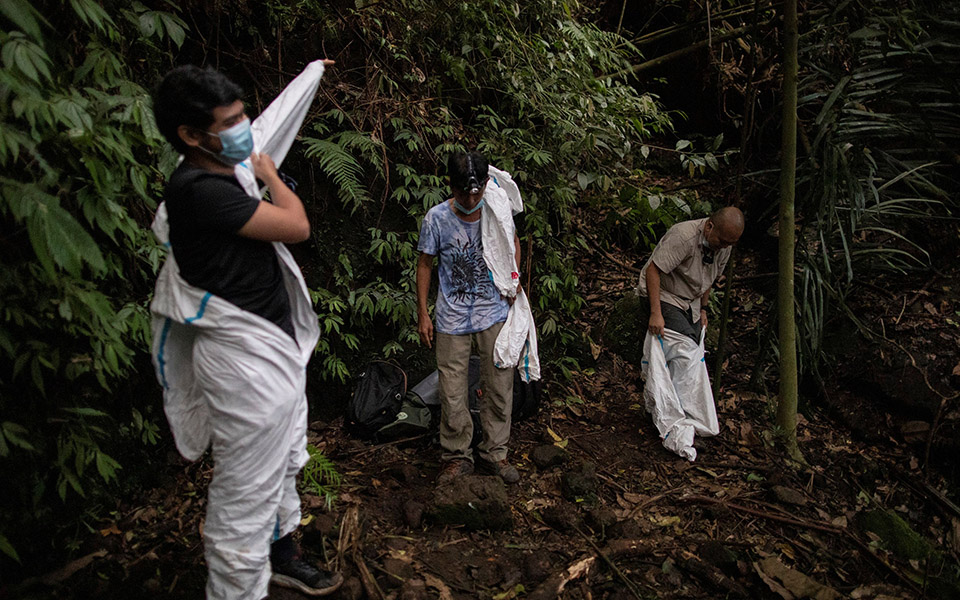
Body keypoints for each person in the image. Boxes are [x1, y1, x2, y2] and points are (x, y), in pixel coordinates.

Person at [151, 64, 342, 599]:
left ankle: (284, 557)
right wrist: (275, 178)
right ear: (191, 135)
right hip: (244, 365)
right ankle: (238, 587)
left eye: (243, 117)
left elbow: (272, 123)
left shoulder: (223, 171)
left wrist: (311, 75)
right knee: (243, 499)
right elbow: (297, 224)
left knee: (280, 468)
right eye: (230, 122)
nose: (244, 130)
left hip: (271, 351)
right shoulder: (201, 191)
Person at [416, 151, 522, 485]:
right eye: (465, 192)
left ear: (487, 184)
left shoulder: (496, 209)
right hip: (452, 316)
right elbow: (424, 264)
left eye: (477, 191)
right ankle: (457, 456)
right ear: (452, 185)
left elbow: (513, 241)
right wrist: (423, 313)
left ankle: (495, 453)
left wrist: (513, 279)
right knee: (451, 389)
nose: (472, 197)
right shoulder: (437, 219)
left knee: (499, 386)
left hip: (493, 311)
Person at [635, 207, 744, 459]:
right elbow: (654, 270)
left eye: (730, 243)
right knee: (685, 351)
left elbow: (710, 277)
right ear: (709, 227)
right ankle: (672, 419)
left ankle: (679, 411)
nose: (724, 247)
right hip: (664, 294)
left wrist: (704, 308)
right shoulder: (683, 236)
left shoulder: (723, 247)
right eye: (722, 240)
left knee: (695, 348)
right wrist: (656, 312)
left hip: (690, 302)